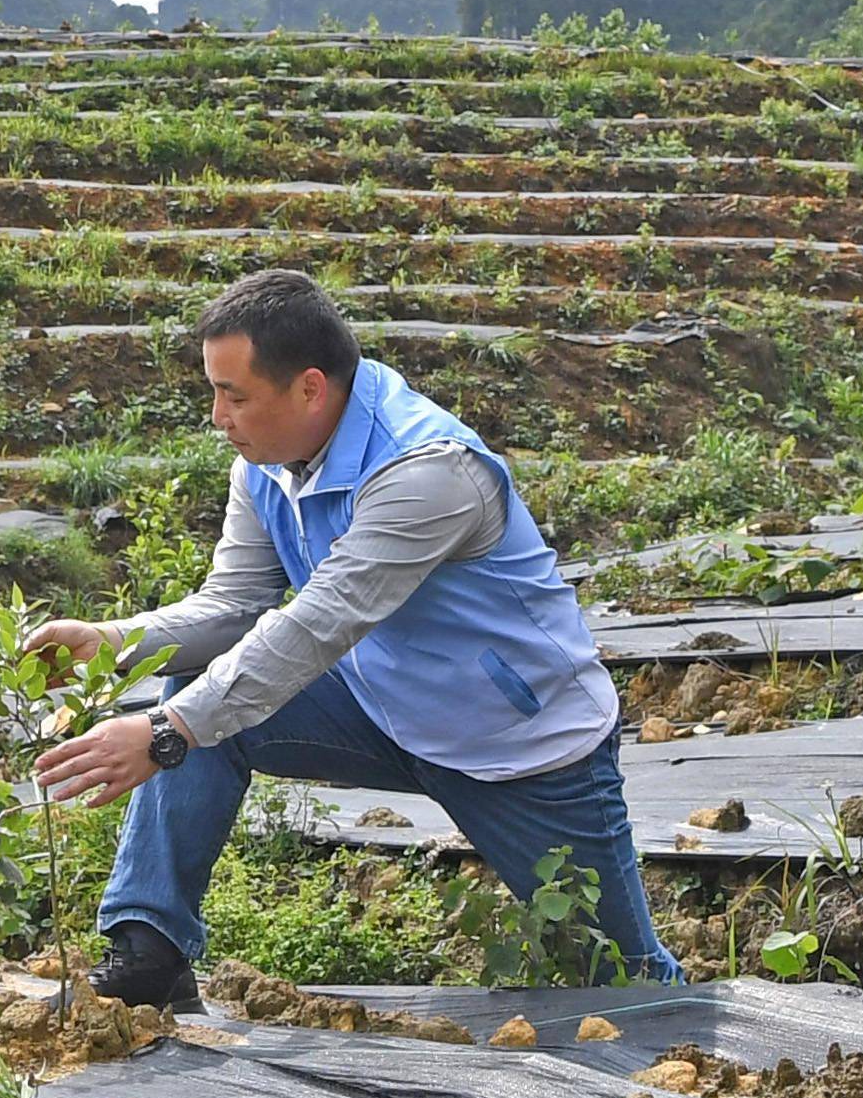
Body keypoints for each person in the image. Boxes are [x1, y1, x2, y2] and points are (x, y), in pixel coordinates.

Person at [33, 267, 676, 1008]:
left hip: (521, 748)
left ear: (310, 388)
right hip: (383, 707)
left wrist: (165, 734)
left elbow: (316, 626)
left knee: (628, 984)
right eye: (214, 391)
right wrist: (112, 643)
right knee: (197, 687)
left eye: (234, 395)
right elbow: (237, 606)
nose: (218, 417)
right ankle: (150, 951)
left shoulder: (427, 471)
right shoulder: (270, 465)